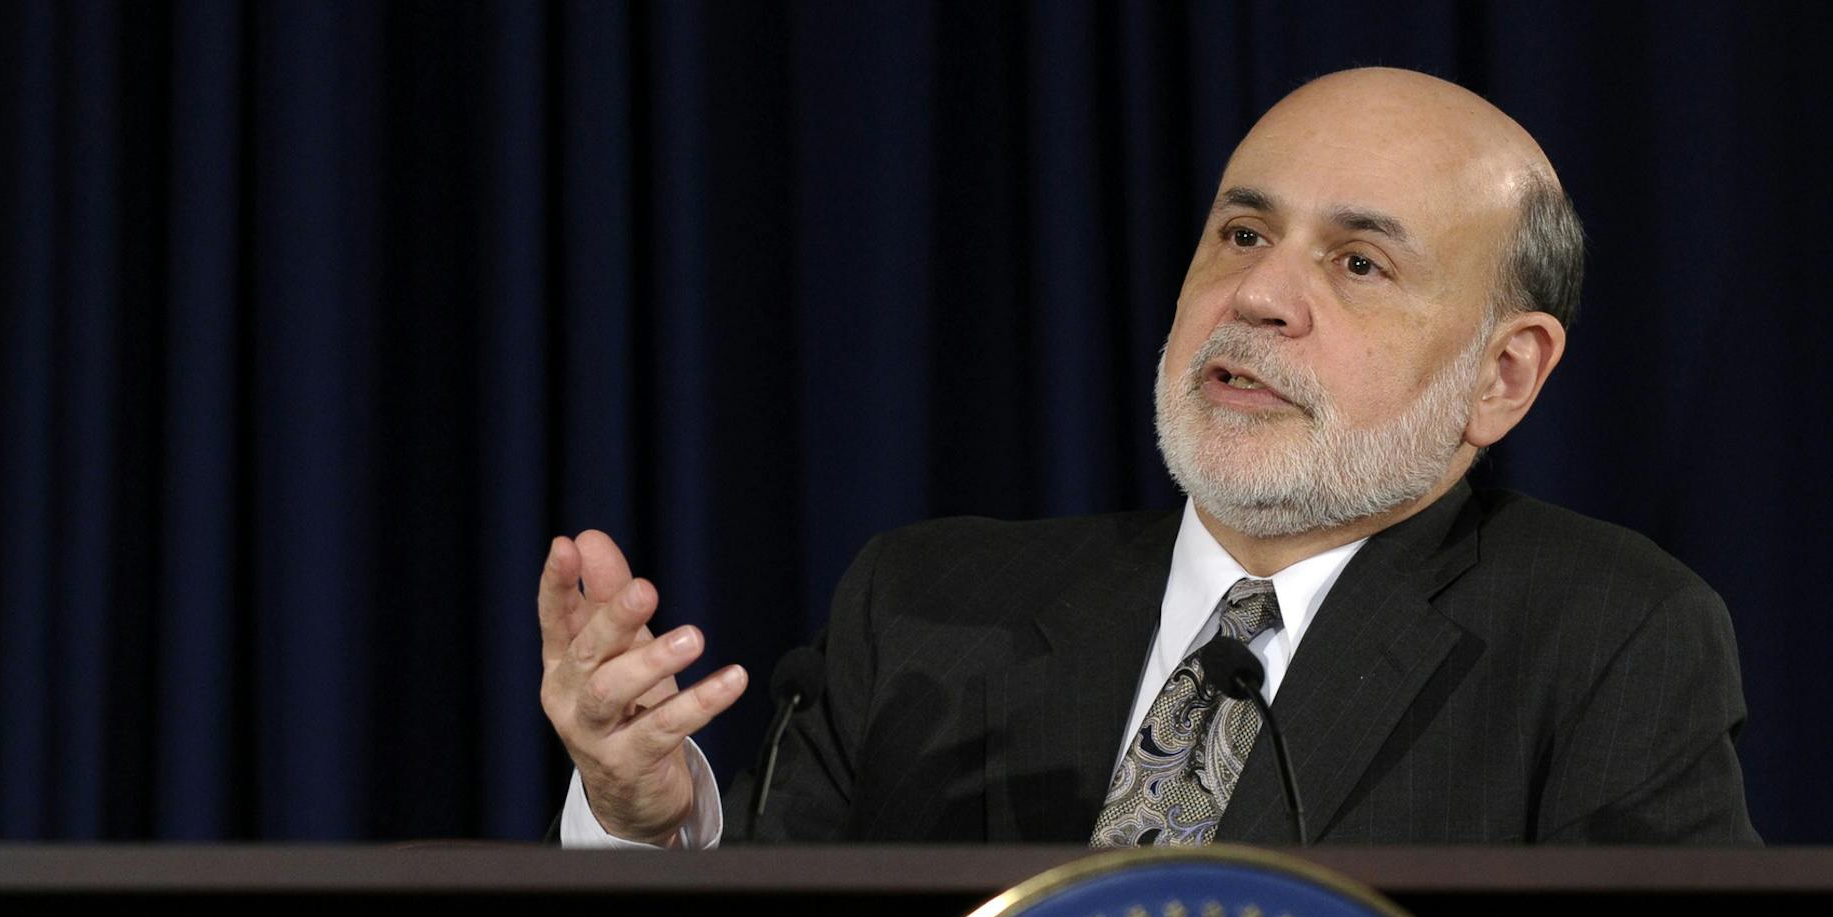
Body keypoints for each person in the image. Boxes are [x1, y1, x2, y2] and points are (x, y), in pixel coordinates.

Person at [537, 68, 1756, 847]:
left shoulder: (1608, 638)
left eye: (1358, 263)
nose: (1260, 295)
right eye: (1241, 230)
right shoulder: (924, 609)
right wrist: (643, 820)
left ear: (1506, 375)